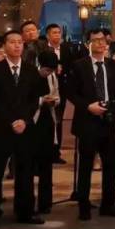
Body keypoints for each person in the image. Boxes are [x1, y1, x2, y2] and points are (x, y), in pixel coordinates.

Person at [0, 30, 49, 229]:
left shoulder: (31, 70)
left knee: (25, 171)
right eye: (12, 42)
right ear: (4, 46)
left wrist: (24, 120)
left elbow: (34, 99)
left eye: (20, 42)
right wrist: (12, 121)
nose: (17, 45)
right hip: (2, 127)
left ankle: (25, 211)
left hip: (25, 128)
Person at [68, 28, 115, 221]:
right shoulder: (79, 66)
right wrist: (88, 106)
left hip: (109, 121)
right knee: (85, 166)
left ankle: (108, 204)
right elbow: (71, 93)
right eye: (95, 40)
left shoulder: (113, 65)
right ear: (88, 44)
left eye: (103, 40)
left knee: (110, 165)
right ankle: (83, 205)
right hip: (87, 122)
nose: (100, 43)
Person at [33, 51, 60, 215]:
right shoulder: (30, 76)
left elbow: (57, 95)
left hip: (47, 121)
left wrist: (54, 101)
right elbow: (24, 98)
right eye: (46, 70)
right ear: (39, 65)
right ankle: (28, 203)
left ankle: (45, 202)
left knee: (46, 164)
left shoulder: (52, 76)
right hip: (32, 123)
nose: (48, 73)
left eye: (51, 70)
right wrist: (41, 100)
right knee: (30, 165)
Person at [44, 24, 72, 165]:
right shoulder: (43, 49)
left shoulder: (66, 49)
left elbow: (71, 66)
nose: (57, 35)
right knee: (46, 119)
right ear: (48, 35)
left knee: (58, 120)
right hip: (46, 87)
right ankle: (45, 151)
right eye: (54, 32)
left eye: (58, 32)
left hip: (62, 88)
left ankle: (56, 152)